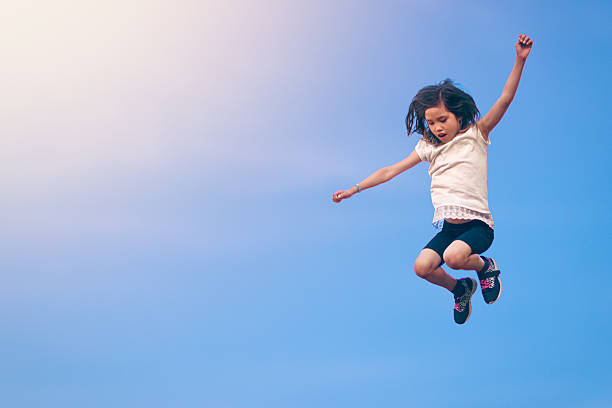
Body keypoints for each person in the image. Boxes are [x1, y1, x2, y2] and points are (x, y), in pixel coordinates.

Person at [332, 34, 533, 324]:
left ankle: (485, 266)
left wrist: (520, 60)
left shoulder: (476, 135)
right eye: (431, 122)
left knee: (453, 258)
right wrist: (355, 188)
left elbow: (505, 99)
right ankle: (460, 288)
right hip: (450, 229)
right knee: (422, 266)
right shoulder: (427, 147)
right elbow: (390, 170)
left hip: (478, 227)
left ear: (458, 115)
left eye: (443, 120)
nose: (437, 128)